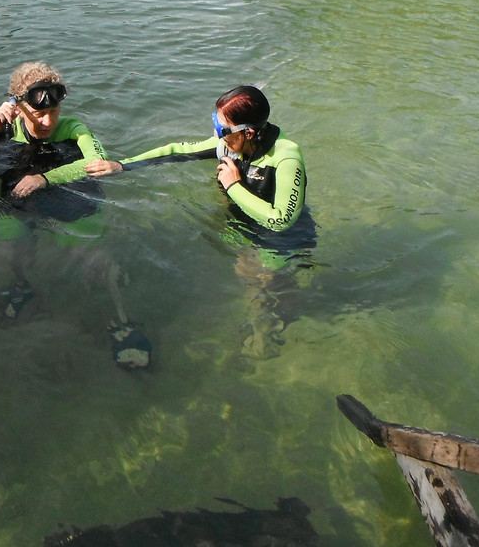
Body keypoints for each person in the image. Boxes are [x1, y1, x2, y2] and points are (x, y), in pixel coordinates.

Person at [85, 85, 315, 359]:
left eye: (223, 129)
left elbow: (281, 221)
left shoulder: (287, 157)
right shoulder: (232, 144)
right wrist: (123, 165)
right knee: (251, 284)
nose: (218, 135)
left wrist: (233, 187)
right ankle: (267, 324)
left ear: (249, 131)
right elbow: (178, 151)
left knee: (262, 293)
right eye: (216, 125)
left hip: (278, 244)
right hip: (244, 228)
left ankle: (263, 345)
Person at [0, 61, 151, 369]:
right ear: (18, 106)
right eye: (39, 113)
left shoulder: (73, 129)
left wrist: (45, 179)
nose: (47, 121)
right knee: (11, 252)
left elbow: (96, 161)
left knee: (93, 259)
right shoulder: (5, 127)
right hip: (17, 200)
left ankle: (120, 318)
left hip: (69, 200)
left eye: (53, 111)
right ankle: (22, 286)